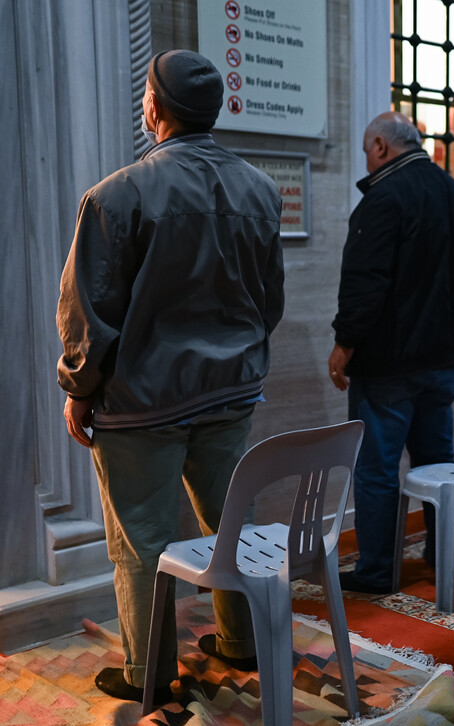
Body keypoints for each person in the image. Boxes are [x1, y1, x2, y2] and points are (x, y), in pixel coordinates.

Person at [57, 50, 284, 703]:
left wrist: (78, 389)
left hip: (141, 406)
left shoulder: (117, 195)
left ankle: (148, 675)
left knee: (142, 543)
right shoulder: (259, 191)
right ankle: (240, 641)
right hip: (230, 393)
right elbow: (268, 302)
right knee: (229, 523)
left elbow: (88, 313)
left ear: (155, 107)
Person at [329, 112, 454, 594]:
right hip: (443, 360)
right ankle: (445, 558)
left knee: (377, 469)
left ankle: (377, 572)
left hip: (389, 364)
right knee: (439, 467)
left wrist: (344, 343)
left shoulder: (383, 198)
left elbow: (364, 283)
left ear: (379, 146)